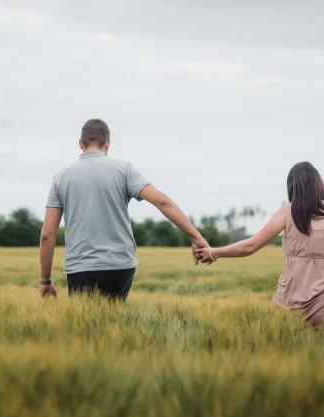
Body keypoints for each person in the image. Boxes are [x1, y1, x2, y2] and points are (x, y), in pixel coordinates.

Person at [38, 118, 210, 301]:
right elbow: (162, 201)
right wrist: (197, 238)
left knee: (88, 328)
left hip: (81, 267)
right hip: (120, 266)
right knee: (114, 323)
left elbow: (47, 234)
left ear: (80, 144)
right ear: (107, 145)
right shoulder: (124, 170)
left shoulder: (61, 177)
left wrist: (45, 281)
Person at [194, 162, 324, 325]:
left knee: (287, 344)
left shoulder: (288, 212)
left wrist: (213, 252)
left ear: (293, 187)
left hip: (292, 299)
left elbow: (251, 245)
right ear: (318, 184)